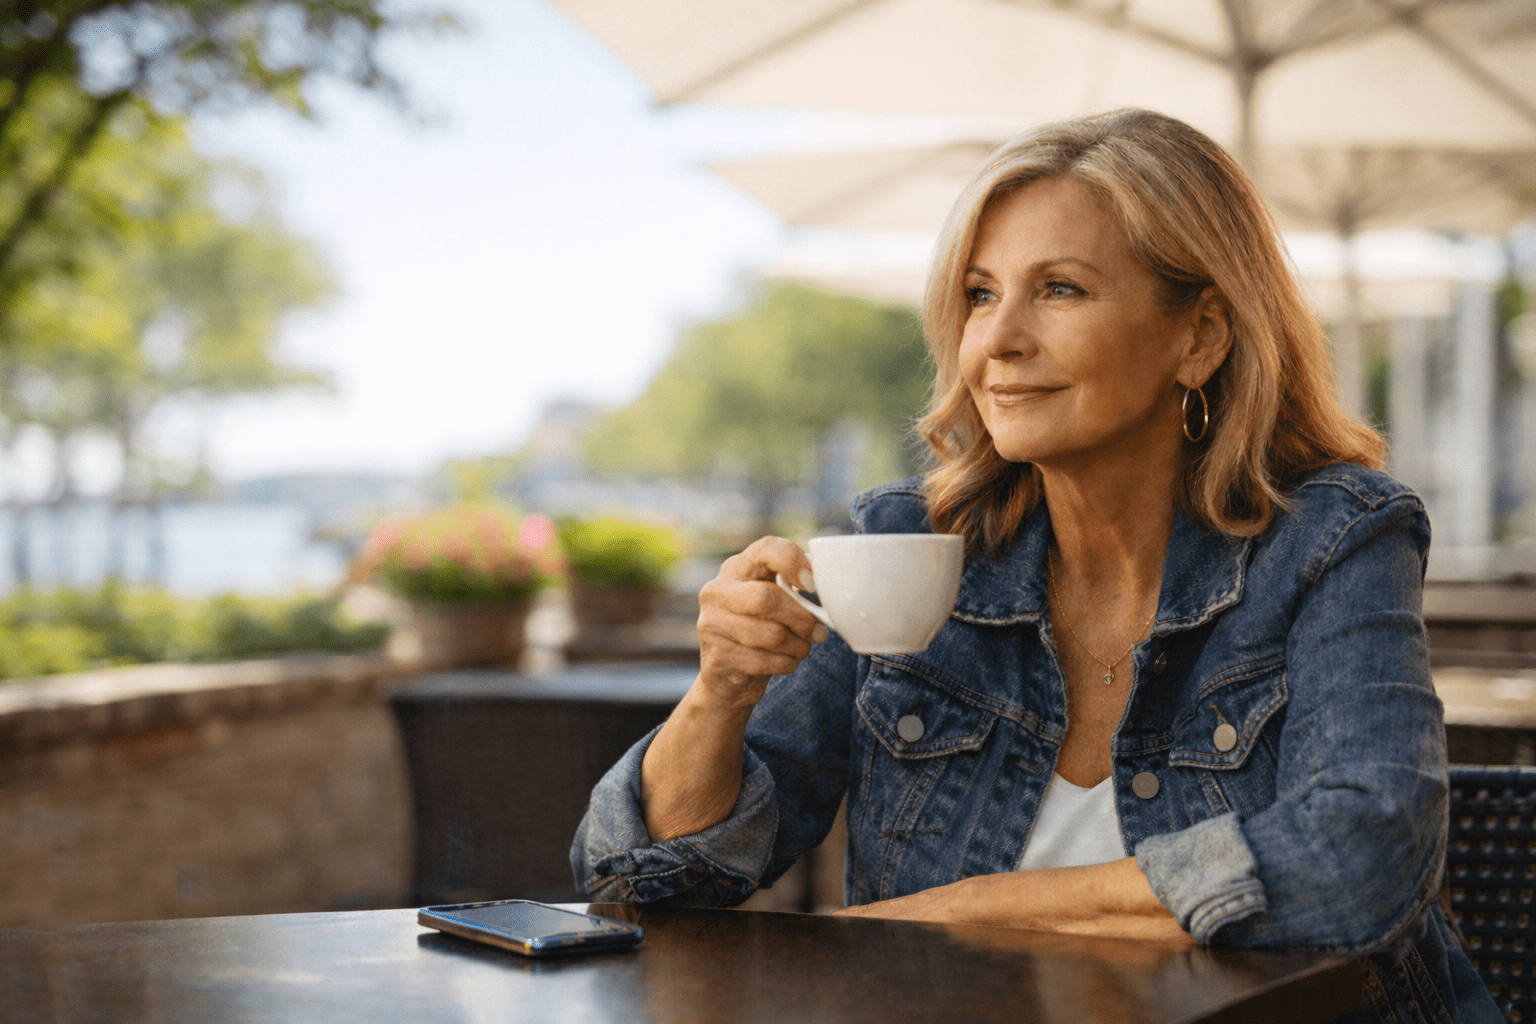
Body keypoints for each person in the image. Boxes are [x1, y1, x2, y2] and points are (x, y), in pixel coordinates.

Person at [571, 108, 1501, 1023]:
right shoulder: (906, 543)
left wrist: (960, 915)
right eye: (979, 294)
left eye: (1059, 289)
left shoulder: (1336, 538)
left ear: (1200, 337)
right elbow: (646, 888)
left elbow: (1360, 861)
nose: (999, 340)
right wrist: (722, 693)